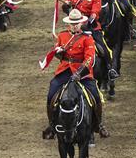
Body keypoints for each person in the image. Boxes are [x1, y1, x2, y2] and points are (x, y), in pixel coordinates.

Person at [43, 9, 109, 139]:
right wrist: (58, 52)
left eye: (77, 23)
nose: (75, 25)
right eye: (72, 23)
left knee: (95, 95)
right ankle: (52, 125)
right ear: (69, 24)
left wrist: (79, 73)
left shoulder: (87, 38)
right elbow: (58, 54)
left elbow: (90, 59)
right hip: (65, 70)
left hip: (82, 72)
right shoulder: (62, 36)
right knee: (51, 93)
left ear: (81, 23)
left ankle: (98, 124)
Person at [63, 0, 117, 80]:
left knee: (102, 48)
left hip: (91, 27)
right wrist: (66, 6)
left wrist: (90, 21)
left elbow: (95, 12)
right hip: (75, 25)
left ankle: (109, 68)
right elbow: (67, 6)